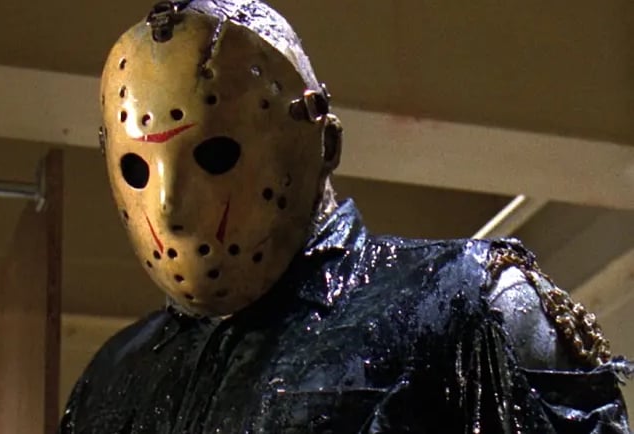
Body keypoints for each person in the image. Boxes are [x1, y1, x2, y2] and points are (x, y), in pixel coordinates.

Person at [60, 1, 631, 432]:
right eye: (137, 168)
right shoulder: (115, 376)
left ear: (323, 144)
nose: (170, 208)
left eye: (215, 155)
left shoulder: (466, 301)